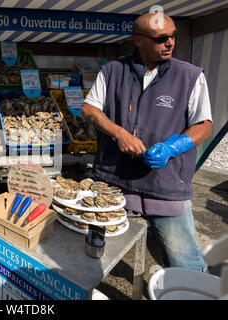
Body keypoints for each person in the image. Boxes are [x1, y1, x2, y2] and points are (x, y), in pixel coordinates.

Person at [82, 12, 213, 272]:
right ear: (138, 40)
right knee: (93, 252)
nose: (171, 42)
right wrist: (119, 133)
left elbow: (204, 124)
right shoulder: (112, 70)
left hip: (165, 184)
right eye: (161, 38)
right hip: (113, 180)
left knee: (184, 260)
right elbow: (89, 110)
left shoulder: (189, 76)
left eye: (173, 35)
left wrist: (174, 147)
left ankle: (199, 286)